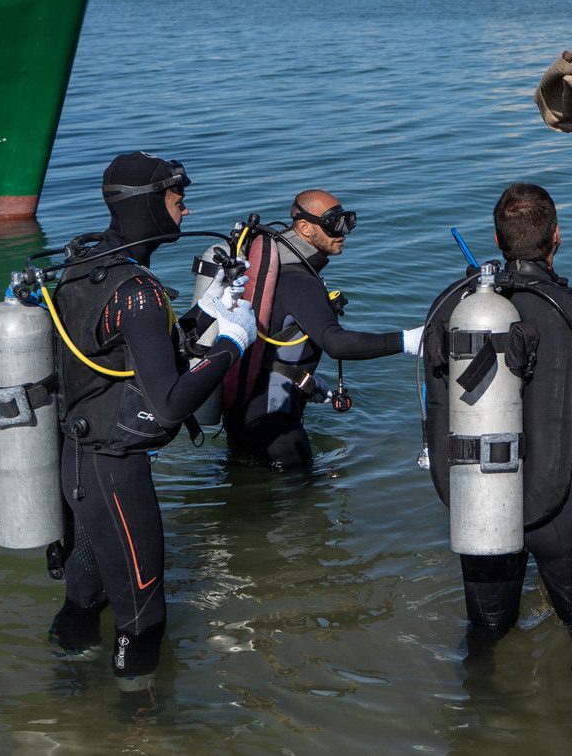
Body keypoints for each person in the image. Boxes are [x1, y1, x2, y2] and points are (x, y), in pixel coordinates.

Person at [49, 151, 257, 684]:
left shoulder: (86, 262)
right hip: (116, 471)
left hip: (76, 460)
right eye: (177, 200)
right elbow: (168, 401)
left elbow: (128, 350)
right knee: (142, 619)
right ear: (149, 205)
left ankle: (65, 694)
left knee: (85, 596)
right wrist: (231, 346)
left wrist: (206, 311)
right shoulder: (138, 291)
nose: (185, 212)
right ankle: (138, 726)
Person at [422, 183, 572, 642]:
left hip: (478, 497)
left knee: (485, 637)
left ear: (497, 240)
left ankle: (480, 707)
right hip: (560, 502)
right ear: (557, 237)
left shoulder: (455, 308)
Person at [225, 189, 423, 471]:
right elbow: (337, 344)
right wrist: (408, 341)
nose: (343, 231)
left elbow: (273, 347)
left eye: (347, 221)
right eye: (333, 223)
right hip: (279, 436)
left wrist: (306, 381)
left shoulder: (283, 272)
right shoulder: (299, 281)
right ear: (304, 227)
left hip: (245, 424)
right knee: (304, 512)